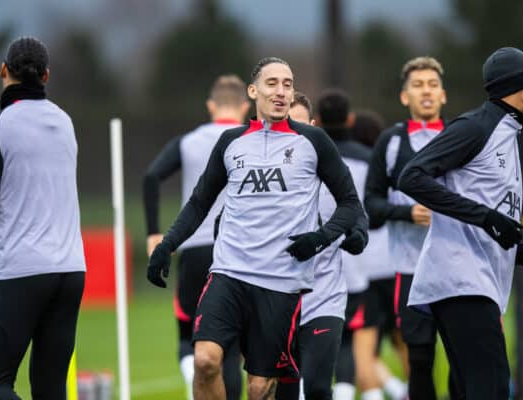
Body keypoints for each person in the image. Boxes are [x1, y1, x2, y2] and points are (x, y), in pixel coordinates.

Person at [147, 57, 364, 400]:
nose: (281, 91)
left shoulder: (314, 141)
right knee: (205, 360)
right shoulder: (231, 142)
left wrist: (319, 239)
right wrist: (166, 244)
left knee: (260, 387)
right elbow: (199, 202)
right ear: (253, 91)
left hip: (280, 284)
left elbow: (351, 203)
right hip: (229, 273)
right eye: (272, 83)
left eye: (287, 84)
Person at [398, 47, 523, 399]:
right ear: (516, 85)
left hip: (475, 283)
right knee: (491, 388)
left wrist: (517, 251)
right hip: (460, 280)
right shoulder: (477, 125)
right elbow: (412, 176)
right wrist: (487, 218)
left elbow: (488, 213)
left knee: (475, 390)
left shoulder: (508, 134)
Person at [0, 37, 86, 400]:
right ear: (46, 76)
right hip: (71, 272)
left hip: (23, 271)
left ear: (4, 70)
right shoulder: (65, 122)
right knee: (50, 390)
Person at [142, 75, 250, 400]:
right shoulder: (250, 140)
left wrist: (153, 233)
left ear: (210, 106)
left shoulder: (188, 141)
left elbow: (150, 177)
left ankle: (194, 382)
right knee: (230, 346)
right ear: (245, 106)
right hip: (239, 252)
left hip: (194, 250)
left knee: (187, 335)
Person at [274, 91, 368, 400]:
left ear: (314, 126)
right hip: (275, 300)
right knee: (282, 390)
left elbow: (357, 212)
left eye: (300, 125)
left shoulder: (335, 171)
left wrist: (358, 236)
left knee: (316, 387)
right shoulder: (262, 177)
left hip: (324, 297)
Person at [364, 56, 447, 400]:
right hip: (410, 270)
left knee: (464, 359)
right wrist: (407, 212)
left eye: (432, 85)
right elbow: (371, 205)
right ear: (404, 97)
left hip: (459, 268)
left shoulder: (463, 136)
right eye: (417, 85)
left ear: (443, 95)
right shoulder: (391, 142)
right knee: (419, 357)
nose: (425, 92)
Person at [334, 110, 409, 400]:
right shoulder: (389, 166)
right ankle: (408, 391)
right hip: (395, 265)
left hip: (363, 270)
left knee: (363, 350)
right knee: (406, 343)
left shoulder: (340, 165)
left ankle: (386, 391)